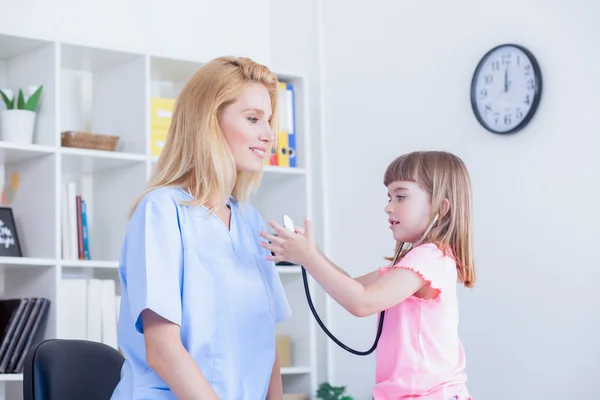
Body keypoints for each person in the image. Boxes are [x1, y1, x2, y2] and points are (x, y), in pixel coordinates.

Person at [110, 56, 292, 400]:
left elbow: (266, 349)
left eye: (269, 121)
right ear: (208, 122)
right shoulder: (161, 211)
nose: (269, 135)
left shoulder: (251, 222)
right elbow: (162, 349)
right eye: (253, 119)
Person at [260, 150, 475, 400]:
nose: (388, 207)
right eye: (389, 196)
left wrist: (308, 258)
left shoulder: (429, 257)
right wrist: (312, 253)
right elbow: (352, 286)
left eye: (401, 196)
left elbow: (362, 302)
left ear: (441, 208)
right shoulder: (413, 262)